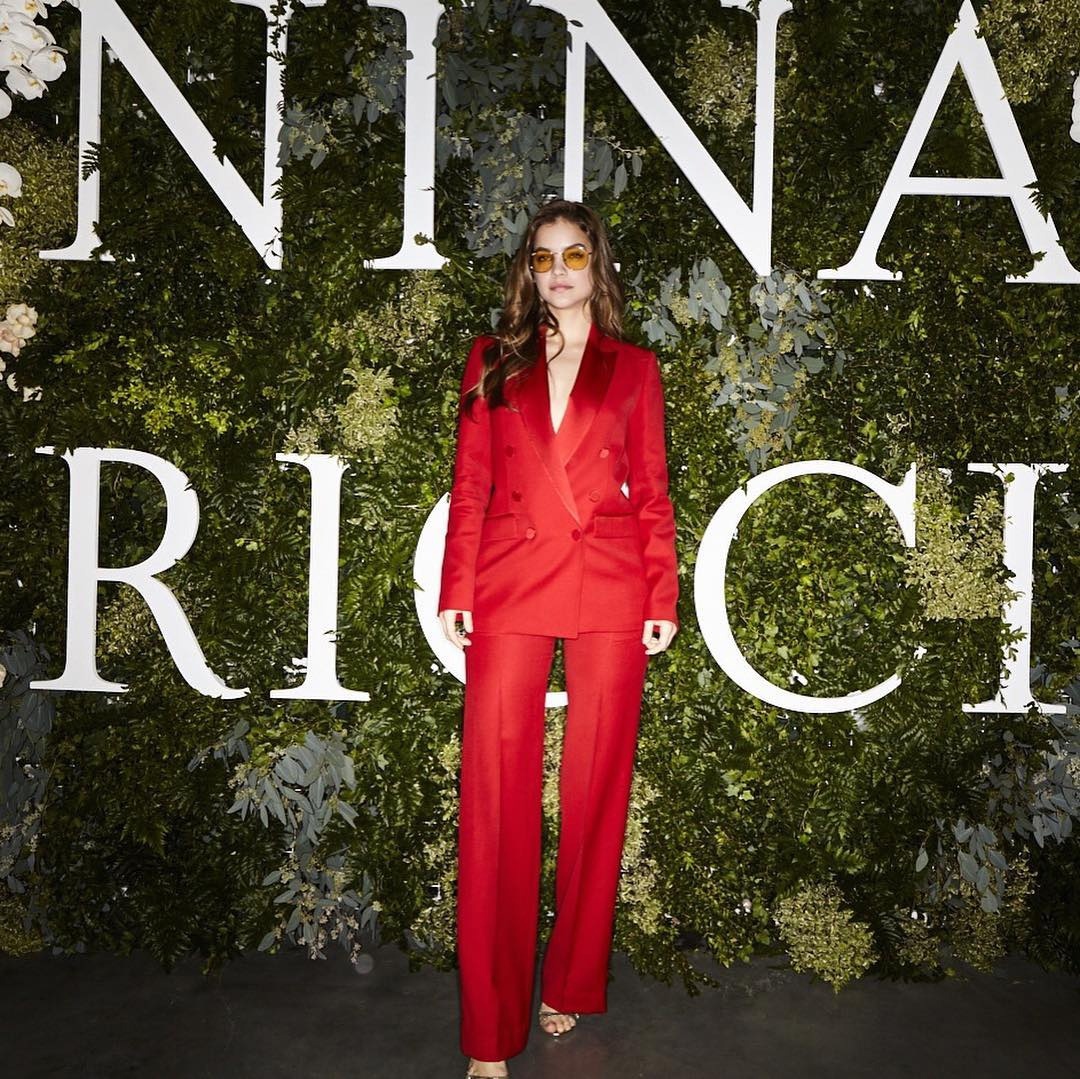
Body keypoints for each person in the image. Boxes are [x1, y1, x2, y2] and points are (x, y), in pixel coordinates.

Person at [437, 198, 679, 1079]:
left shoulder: (635, 368)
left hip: (611, 584)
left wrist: (662, 590)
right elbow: (471, 481)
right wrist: (457, 583)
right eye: (544, 258)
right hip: (510, 580)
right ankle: (490, 1031)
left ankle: (571, 978)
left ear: (596, 264)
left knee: (595, 789)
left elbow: (652, 488)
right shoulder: (491, 358)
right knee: (494, 799)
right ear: (529, 271)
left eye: (575, 254)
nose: (561, 271)